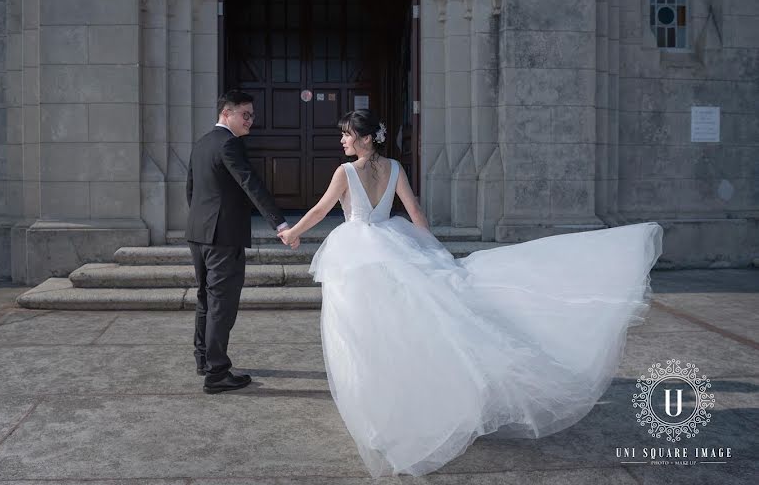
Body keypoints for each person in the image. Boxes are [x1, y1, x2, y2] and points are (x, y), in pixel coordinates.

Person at [277, 108, 662, 477]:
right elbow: (414, 211)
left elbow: (321, 209)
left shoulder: (346, 171)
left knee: (364, 334)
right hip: (394, 246)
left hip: (358, 257)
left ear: (363, 139)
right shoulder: (395, 168)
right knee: (405, 328)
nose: (342, 140)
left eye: (347, 134)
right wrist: (433, 252)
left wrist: (294, 233)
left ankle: (378, 410)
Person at [186, 90, 298, 394]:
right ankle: (217, 373)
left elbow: (191, 190)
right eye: (245, 114)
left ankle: (203, 359)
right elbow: (251, 184)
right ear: (227, 113)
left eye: (252, 115)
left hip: (199, 234)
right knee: (222, 303)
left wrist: (200, 224)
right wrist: (281, 223)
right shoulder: (229, 144)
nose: (251, 120)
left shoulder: (201, 143)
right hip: (223, 237)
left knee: (205, 299)